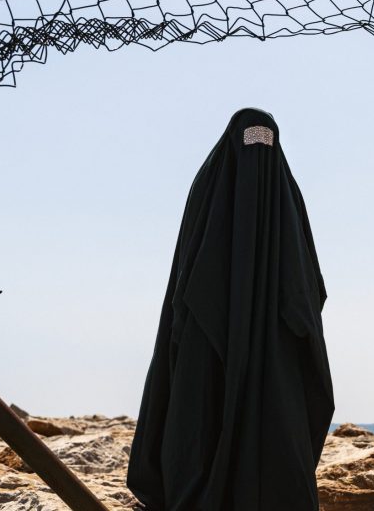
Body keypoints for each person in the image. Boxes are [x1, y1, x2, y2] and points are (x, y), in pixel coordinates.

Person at [127, 107, 333, 510]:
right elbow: (188, 270)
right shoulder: (212, 190)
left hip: (273, 355)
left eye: (265, 141)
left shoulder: (285, 199)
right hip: (208, 344)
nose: (257, 151)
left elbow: (306, 285)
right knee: (201, 438)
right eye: (250, 140)